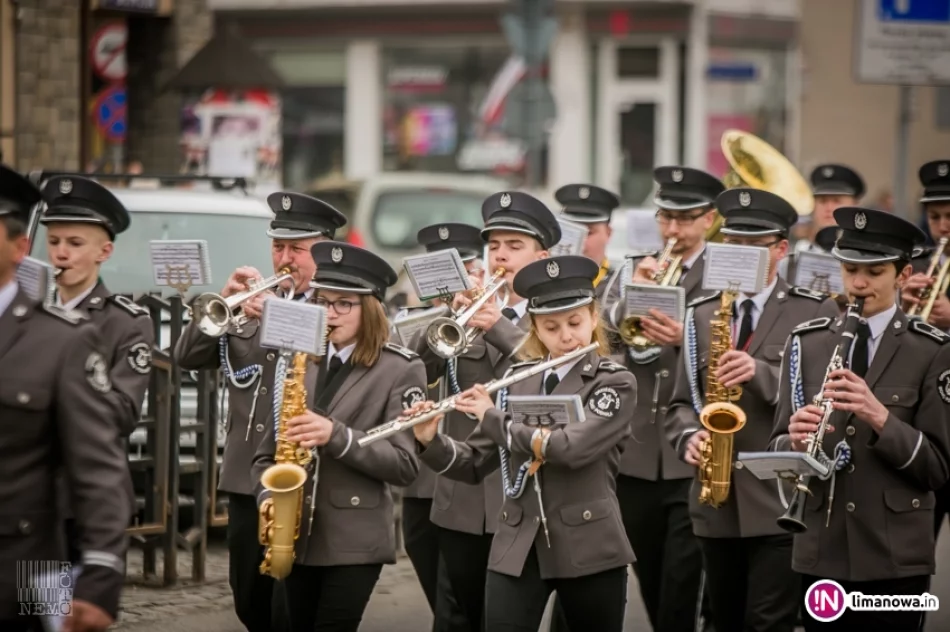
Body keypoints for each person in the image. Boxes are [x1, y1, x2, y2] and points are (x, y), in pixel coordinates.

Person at [408, 254, 637, 632]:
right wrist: (429, 439)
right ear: (535, 329)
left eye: (575, 323)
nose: (566, 336)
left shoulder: (613, 381)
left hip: (589, 541)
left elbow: (568, 449)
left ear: (594, 318)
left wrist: (491, 416)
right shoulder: (517, 378)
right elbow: (472, 463)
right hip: (517, 541)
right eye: (551, 326)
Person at [664, 187, 839, 632]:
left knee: (768, 621)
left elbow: (826, 399)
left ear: (780, 249)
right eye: (733, 246)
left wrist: (761, 372)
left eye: (753, 248)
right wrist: (688, 437)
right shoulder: (701, 313)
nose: (740, 256)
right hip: (715, 500)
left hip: (779, 497)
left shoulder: (812, 310)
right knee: (722, 619)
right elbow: (682, 403)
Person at [769, 207, 950, 630]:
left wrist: (880, 417)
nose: (859, 284)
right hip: (822, 546)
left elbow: (939, 467)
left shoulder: (933, 350)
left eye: (875, 272)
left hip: (895, 555)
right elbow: (777, 445)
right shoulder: (808, 342)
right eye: (850, 270)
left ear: (904, 275)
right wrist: (793, 443)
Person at [174, 191, 346, 632]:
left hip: (307, 470)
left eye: (298, 249)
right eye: (278, 247)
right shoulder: (249, 308)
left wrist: (280, 316)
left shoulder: (341, 310)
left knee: (293, 604)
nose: (284, 259)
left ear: (324, 251)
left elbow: (337, 370)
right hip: (244, 475)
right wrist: (225, 304)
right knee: (250, 599)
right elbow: (188, 356)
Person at [406, 191, 562, 632]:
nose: (501, 256)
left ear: (541, 256)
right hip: (462, 497)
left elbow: (548, 368)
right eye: (494, 246)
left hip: (523, 493)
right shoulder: (468, 313)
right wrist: (445, 315)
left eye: (515, 246)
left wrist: (499, 327)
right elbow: (417, 370)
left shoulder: (556, 315)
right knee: (458, 616)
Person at [252, 241, 425, 632]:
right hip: (295, 539)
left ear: (371, 308)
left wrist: (337, 436)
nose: (329, 313)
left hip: (354, 542)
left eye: (343, 303)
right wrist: (269, 499)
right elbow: (264, 457)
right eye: (322, 301)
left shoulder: (400, 369)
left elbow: (405, 464)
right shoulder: (300, 362)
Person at [0, 164, 130, 632]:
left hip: (36, 535)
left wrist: (101, 574)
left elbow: (118, 415)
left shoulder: (107, 325)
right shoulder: (47, 310)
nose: (62, 255)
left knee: (52, 620)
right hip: (52, 507)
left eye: (75, 244)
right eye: (56, 242)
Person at [609, 166, 723, 632]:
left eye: (685, 218)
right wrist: (632, 297)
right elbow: (601, 340)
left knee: (682, 583)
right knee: (651, 578)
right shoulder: (633, 267)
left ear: (710, 219)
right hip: (636, 451)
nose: (673, 230)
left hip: (690, 451)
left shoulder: (724, 276)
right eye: (665, 218)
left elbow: (735, 352)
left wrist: (685, 338)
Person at [394, 222, 477, 630]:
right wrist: (445, 317)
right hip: (424, 478)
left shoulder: (496, 318)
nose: (451, 283)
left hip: (471, 474)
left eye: (463, 269)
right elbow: (409, 375)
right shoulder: (411, 323)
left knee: (457, 606)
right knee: (435, 585)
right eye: (440, 273)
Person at [782, 164, 865, 280]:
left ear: (855, 205)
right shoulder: (796, 254)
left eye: (837, 201)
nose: (829, 208)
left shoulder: (866, 256)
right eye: (822, 201)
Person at [554, 183, 622, 304]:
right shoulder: (545, 279)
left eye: (589, 233)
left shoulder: (619, 284)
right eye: (572, 232)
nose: (581, 242)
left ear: (608, 233)